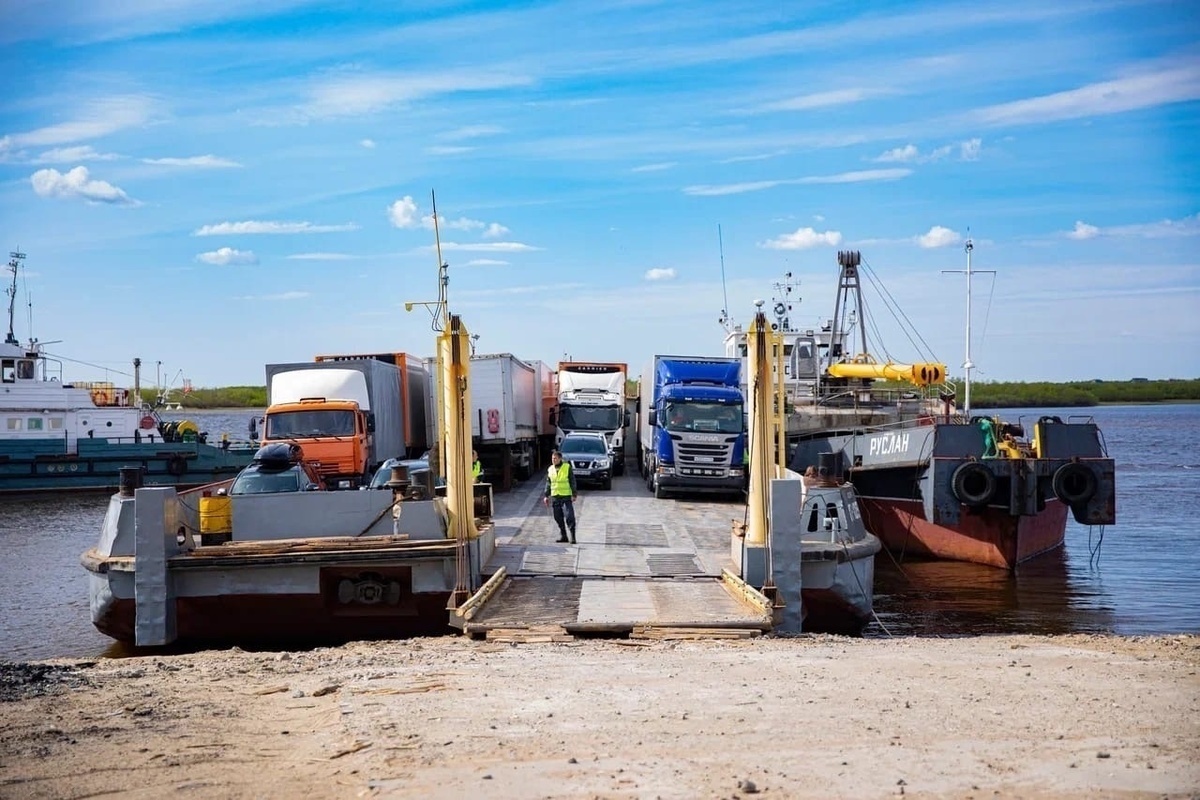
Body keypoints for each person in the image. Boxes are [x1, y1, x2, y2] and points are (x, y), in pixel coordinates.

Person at [542, 449, 577, 544]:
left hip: (565, 496)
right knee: (557, 517)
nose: (553, 460)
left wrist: (574, 494)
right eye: (552, 458)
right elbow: (548, 483)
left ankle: (573, 536)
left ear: (560, 458)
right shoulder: (550, 469)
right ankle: (563, 536)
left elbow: (572, 481)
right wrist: (546, 495)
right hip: (555, 496)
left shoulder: (567, 467)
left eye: (555, 458)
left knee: (569, 516)